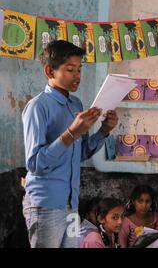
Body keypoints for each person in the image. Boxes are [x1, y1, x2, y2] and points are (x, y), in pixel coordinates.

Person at [21, 40, 119, 248]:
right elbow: (35, 164)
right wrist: (71, 132)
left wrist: (103, 131)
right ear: (50, 70)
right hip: (45, 205)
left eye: (79, 69)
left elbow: (80, 153)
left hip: (71, 203)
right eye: (70, 69)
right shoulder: (38, 107)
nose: (77, 76)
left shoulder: (75, 105)